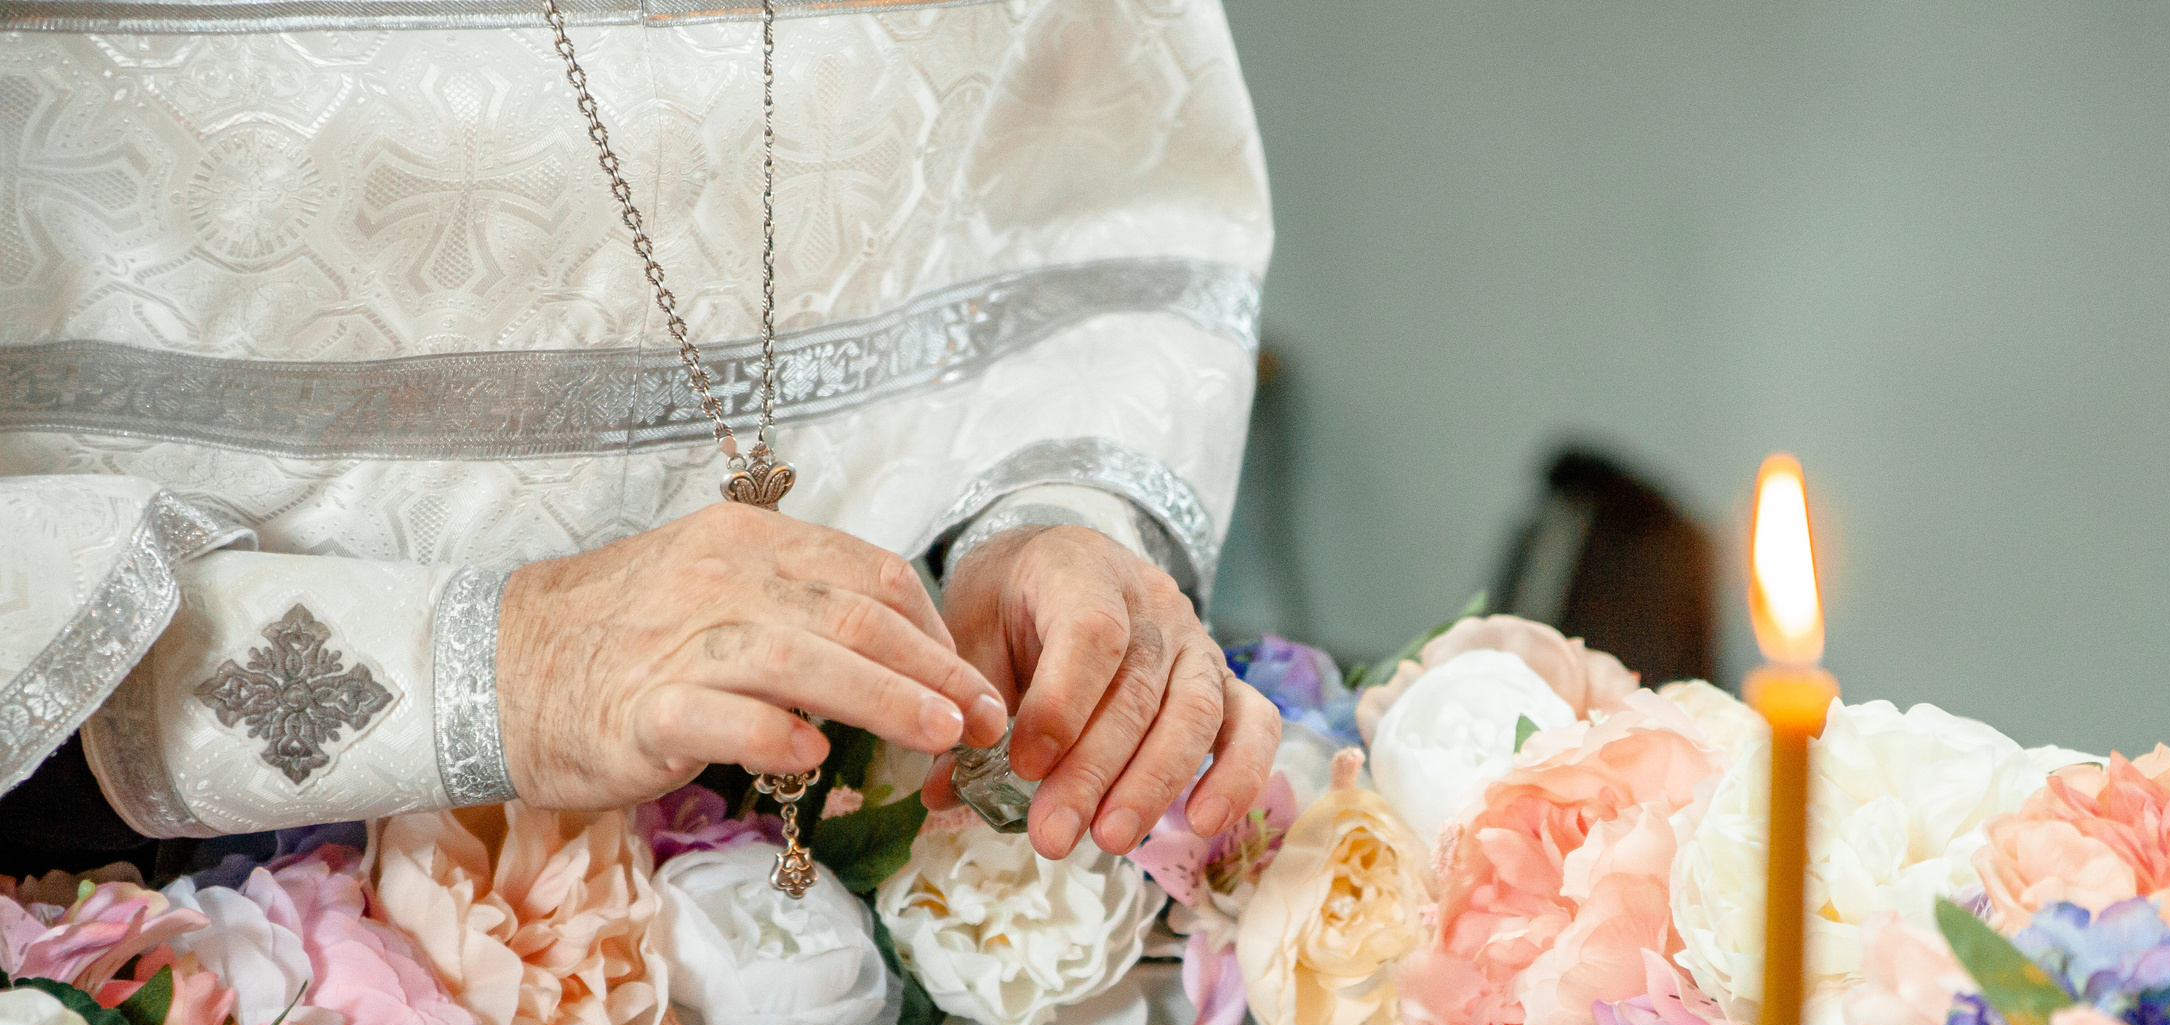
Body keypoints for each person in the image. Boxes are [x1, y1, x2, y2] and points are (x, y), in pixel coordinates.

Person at [0, 0, 1278, 878]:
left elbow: (1104, 194)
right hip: (159, 916)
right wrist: (504, 667)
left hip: (879, 851)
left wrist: (1045, 519)